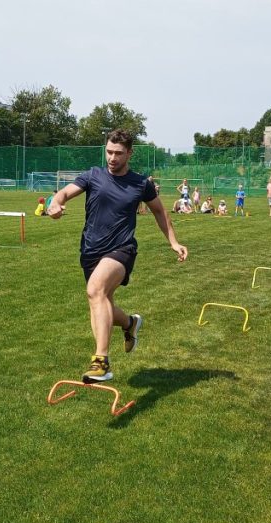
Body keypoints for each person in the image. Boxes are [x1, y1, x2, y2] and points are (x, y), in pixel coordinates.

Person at [47, 129, 187, 383]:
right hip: (90, 250)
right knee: (102, 303)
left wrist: (174, 242)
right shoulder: (93, 175)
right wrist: (55, 204)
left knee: (95, 290)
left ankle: (101, 362)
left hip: (122, 249)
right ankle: (130, 323)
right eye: (109, 152)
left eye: (118, 153)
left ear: (130, 153)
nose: (112, 158)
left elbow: (160, 212)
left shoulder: (141, 183)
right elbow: (64, 193)